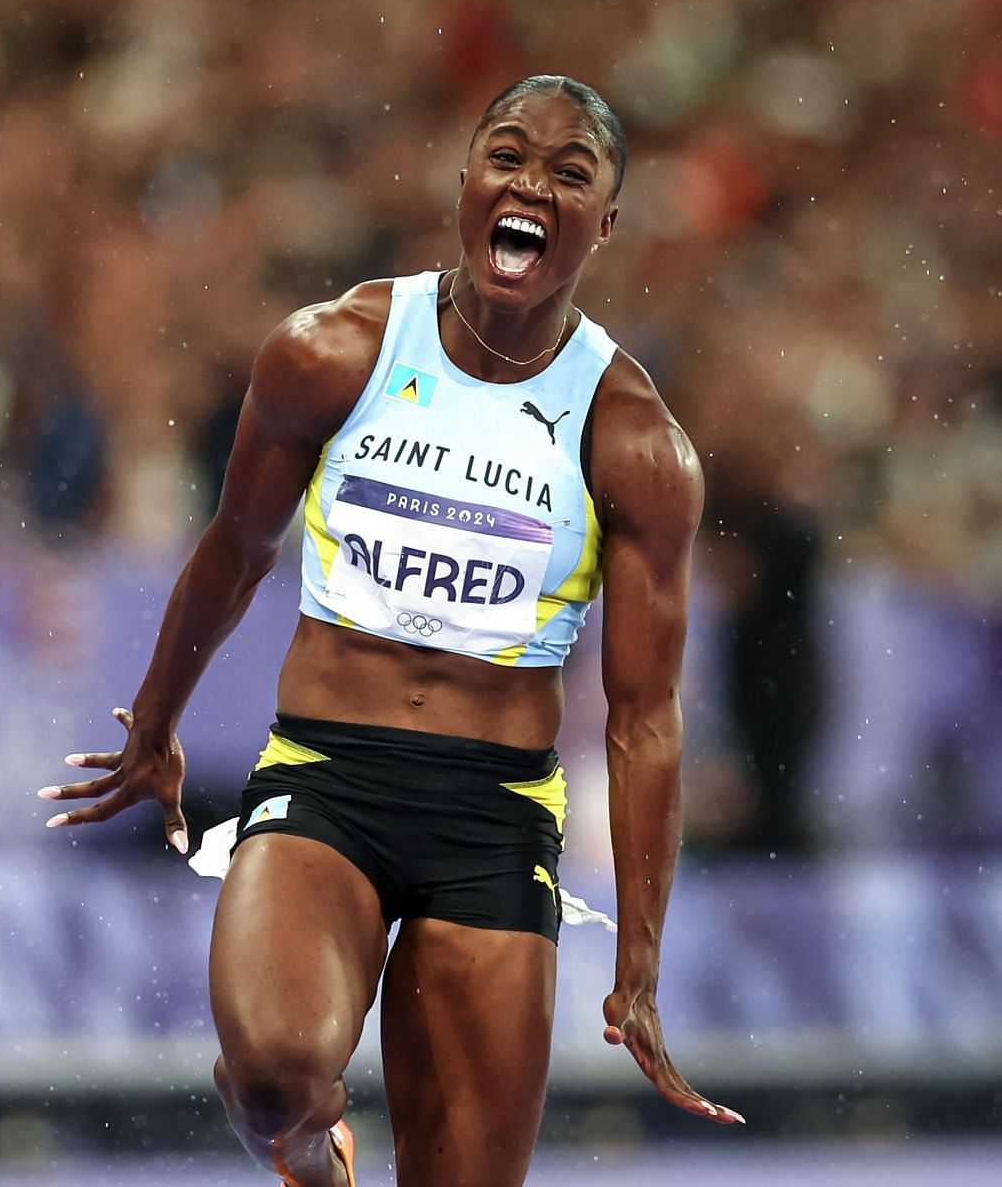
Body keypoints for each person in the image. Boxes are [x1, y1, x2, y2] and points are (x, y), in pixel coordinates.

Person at [40, 76, 741, 1187]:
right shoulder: (333, 351)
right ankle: (311, 1153)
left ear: (605, 223)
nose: (533, 184)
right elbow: (234, 549)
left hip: (496, 818)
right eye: (509, 156)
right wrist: (156, 724)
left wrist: (641, 951)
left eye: (572, 174)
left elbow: (645, 714)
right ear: (465, 180)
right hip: (329, 775)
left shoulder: (636, 441)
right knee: (271, 1068)